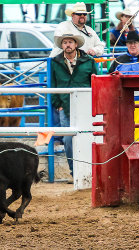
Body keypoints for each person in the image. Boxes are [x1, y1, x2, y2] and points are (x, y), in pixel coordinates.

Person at [51, 34, 98, 179]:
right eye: (65, 42)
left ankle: (89, 171)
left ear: (76, 44)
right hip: (65, 107)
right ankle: (75, 172)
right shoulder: (55, 62)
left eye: (70, 42)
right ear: (62, 45)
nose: (67, 45)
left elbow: (96, 82)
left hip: (85, 106)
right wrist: (58, 105)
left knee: (89, 137)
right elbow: (52, 85)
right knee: (68, 140)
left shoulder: (89, 61)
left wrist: (94, 103)